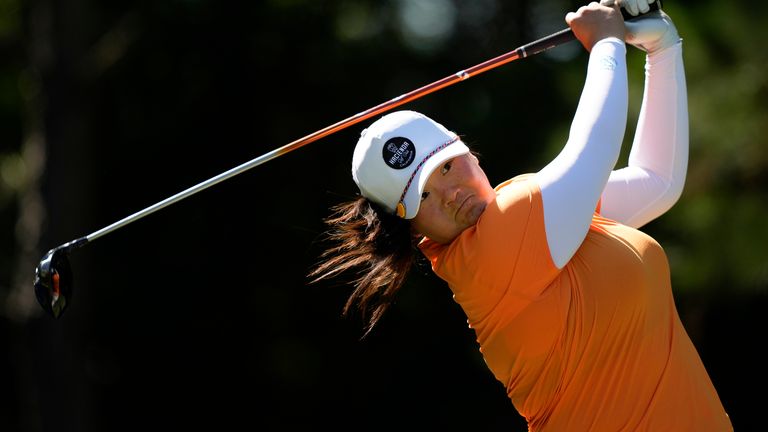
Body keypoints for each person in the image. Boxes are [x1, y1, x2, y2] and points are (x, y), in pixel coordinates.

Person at [309, 0, 734, 430]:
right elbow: (594, 150)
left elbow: (656, 181)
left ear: (467, 151)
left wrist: (662, 50)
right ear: (412, 227)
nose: (452, 193)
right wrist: (606, 41)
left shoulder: (538, 220)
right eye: (425, 196)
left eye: (448, 166)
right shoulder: (492, 248)